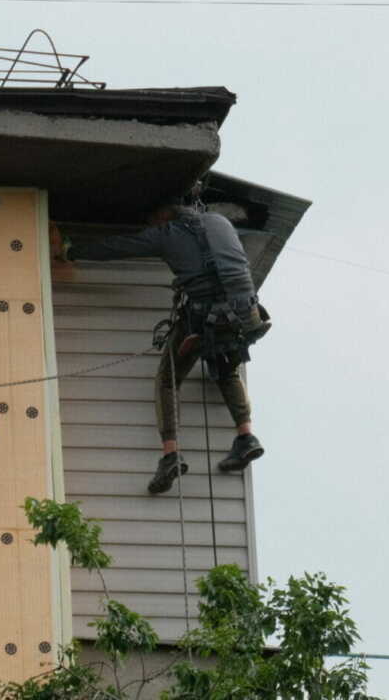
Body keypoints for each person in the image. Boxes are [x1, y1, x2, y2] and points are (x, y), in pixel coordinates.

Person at [51, 194, 266, 495]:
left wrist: (72, 251)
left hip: (207, 318)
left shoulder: (165, 235)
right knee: (226, 368)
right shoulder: (220, 222)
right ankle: (246, 437)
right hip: (247, 314)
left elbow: (119, 248)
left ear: (164, 214)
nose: (148, 225)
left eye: (150, 219)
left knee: (168, 380)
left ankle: (170, 455)